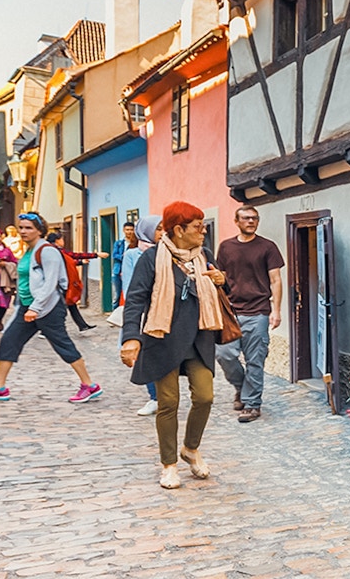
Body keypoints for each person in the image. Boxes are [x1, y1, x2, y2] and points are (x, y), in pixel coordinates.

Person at [121, 202, 224, 489]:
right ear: (178, 230)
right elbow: (135, 299)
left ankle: (190, 448)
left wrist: (221, 280)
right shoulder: (152, 258)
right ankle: (168, 465)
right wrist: (131, 337)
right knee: (168, 403)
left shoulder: (204, 255)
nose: (203, 231)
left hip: (199, 338)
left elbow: (221, 289)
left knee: (205, 397)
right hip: (162, 339)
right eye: (197, 227)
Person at [0, 212, 102, 403]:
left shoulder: (47, 251)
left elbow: (50, 283)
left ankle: (89, 385)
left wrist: (36, 308)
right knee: (9, 341)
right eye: (21, 227)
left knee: (62, 344)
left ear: (39, 230)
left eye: (28, 228)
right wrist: (23, 305)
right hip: (27, 307)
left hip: (47, 308)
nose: (23, 231)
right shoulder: (29, 251)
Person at [213, 205, 284, 423]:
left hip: (258, 311)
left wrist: (276, 310)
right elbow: (220, 279)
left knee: (255, 360)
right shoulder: (226, 247)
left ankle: (252, 404)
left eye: (254, 218)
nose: (251, 221)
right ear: (236, 221)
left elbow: (276, 280)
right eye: (246, 218)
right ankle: (241, 387)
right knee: (224, 354)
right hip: (231, 312)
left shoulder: (267, 247)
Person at [122, 215, 163, 416]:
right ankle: (154, 397)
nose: (162, 233)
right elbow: (131, 286)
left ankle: (165, 395)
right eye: (158, 229)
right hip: (144, 313)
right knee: (145, 355)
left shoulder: (170, 253)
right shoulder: (133, 254)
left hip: (163, 311)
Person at [44, 232, 104, 332]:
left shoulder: (51, 250)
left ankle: (82, 325)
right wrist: (96, 255)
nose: (63, 241)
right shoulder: (56, 251)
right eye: (62, 239)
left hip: (58, 282)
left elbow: (67, 262)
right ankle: (46, 329)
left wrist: (80, 262)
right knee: (58, 307)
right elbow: (74, 256)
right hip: (59, 282)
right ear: (57, 240)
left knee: (71, 304)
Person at [112, 221, 135, 308]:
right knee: (117, 295)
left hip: (130, 272)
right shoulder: (119, 243)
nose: (129, 232)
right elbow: (114, 255)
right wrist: (124, 256)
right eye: (127, 230)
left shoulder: (135, 243)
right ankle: (115, 312)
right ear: (123, 230)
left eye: (131, 230)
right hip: (118, 271)